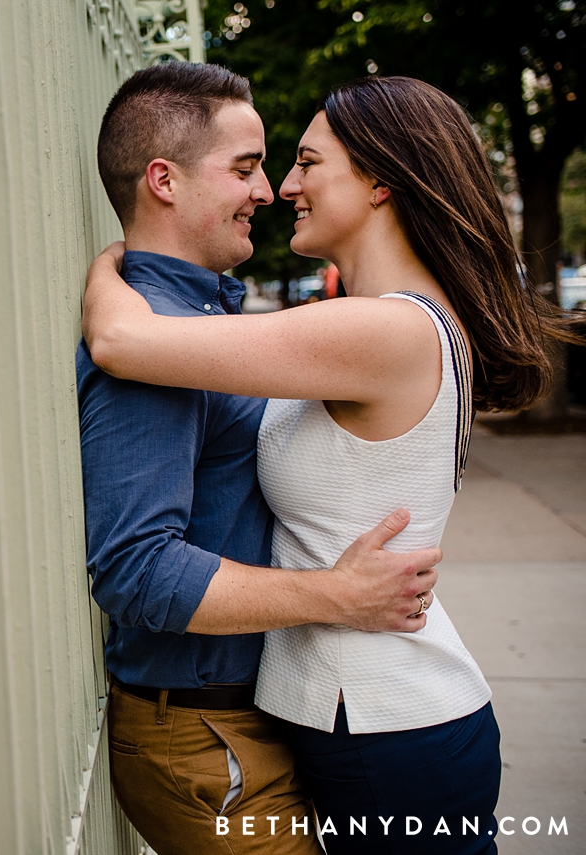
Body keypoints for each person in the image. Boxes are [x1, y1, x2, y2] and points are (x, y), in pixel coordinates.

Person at [85, 74, 585, 854]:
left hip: (389, 725)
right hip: (358, 718)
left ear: (382, 181)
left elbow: (124, 344)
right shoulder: (372, 325)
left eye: (307, 163)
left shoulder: (385, 332)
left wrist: (110, 265)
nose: (285, 187)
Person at [79, 63, 443, 855]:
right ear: (164, 181)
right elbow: (136, 568)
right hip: (204, 734)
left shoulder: (192, 325)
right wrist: (333, 595)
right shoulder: (156, 348)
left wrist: (108, 269)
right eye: (245, 168)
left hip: (258, 716)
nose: (269, 188)